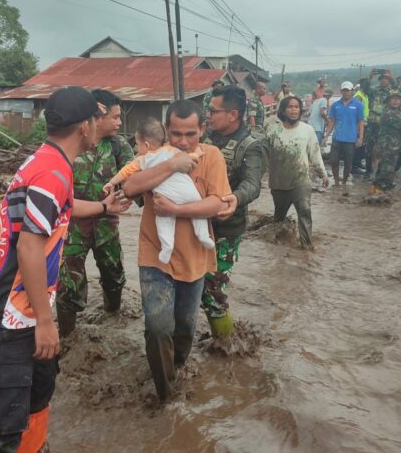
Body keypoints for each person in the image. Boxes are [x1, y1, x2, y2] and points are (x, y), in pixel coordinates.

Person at [0, 87, 130, 453]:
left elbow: (65, 208)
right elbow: (29, 246)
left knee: (38, 397)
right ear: (85, 127)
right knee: (1, 435)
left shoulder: (49, 160)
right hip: (8, 316)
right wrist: (45, 321)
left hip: (20, 309)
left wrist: (104, 209)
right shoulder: (51, 173)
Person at [122, 100, 231, 402]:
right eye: (176, 134)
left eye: (190, 134)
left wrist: (175, 209)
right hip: (155, 254)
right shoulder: (154, 155)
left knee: (184, 328)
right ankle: (165, 395)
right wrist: (172, 164)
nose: (183, 141)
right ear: (166, 130)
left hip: (194, 258)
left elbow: (217, 203)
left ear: (202, 130)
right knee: (157, 327)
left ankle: (177, 367)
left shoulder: (212, 157)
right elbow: (130, 187)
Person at [55, 89, 134, 338]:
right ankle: (68, 337)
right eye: (115, 117)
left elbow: (134, 172)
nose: (119, 123)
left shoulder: (118, 145)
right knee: (68, 283)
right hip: (73, 227)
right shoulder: (74, 141)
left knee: (113, 274)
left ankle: (113, 322)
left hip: (106, 224)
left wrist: (131, 192)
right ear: (97, 117)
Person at [102, 118, 214, 263]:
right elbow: (189, 158)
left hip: (166, 197)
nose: (137, 148)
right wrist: (198, 153)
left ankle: (167, 247)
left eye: (137, 144)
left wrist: (111, 182)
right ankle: (204, 236)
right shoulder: (172, 151)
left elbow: (124, 173)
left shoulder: (142, 160)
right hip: (188, 192)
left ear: (146, 145)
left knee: (164, 221)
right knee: (198, 212)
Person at [203, 85, 263, 337]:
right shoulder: (201, 136)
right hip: (195, 222)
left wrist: (234, 199)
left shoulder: (250, 146)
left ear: (233, 114)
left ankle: (226, 343)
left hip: (226, 228)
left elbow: (252, 184)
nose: (208, 115)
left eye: (213, 111)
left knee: (214, 291)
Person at [266, 96, 329, 247]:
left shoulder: (307, 130)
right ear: (283, 110)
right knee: (279, 217)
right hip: (279, 182)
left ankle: (306, 246)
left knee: (305, 211)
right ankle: (277, 246)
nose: (294, 110)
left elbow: (315, 153)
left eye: (297, 107)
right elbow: (263, 156)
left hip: (301, 180)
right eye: (290, 107)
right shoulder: (273, 131)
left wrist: (323, 174)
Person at [324, 81, 364, 194]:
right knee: (333, 161)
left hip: (350, 139)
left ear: (352, 91)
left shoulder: (358, 105)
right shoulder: (335, 105)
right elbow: (332, 121)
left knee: (348, 163)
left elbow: (361, 122)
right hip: (337, 138)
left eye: (348, 90)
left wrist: (360, 138)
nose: (346, 92)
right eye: (344, 90)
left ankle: (344, 182)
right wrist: (326, 136)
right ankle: (336, 182)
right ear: (341, 91)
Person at [366, 70, 396, 175]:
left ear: (389, 80)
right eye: (382, 78)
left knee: (383, 148)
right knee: (369, 147)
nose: (384, 80)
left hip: (385, 124)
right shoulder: (374, 90)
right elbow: (365, 89)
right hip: (372, 122)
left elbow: (400, 94)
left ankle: (380, 171)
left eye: (386, 79)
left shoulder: (392, 92)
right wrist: (370, 77)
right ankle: (368, 171)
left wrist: (392, 78)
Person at [352, 78, 371, 174]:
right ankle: (354, 166)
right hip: (359, 124)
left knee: (362, 145)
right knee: (358, 145)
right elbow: (355, 112)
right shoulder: (358, 96)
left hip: (364, 122)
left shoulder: (364, 95)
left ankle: (358, 163)